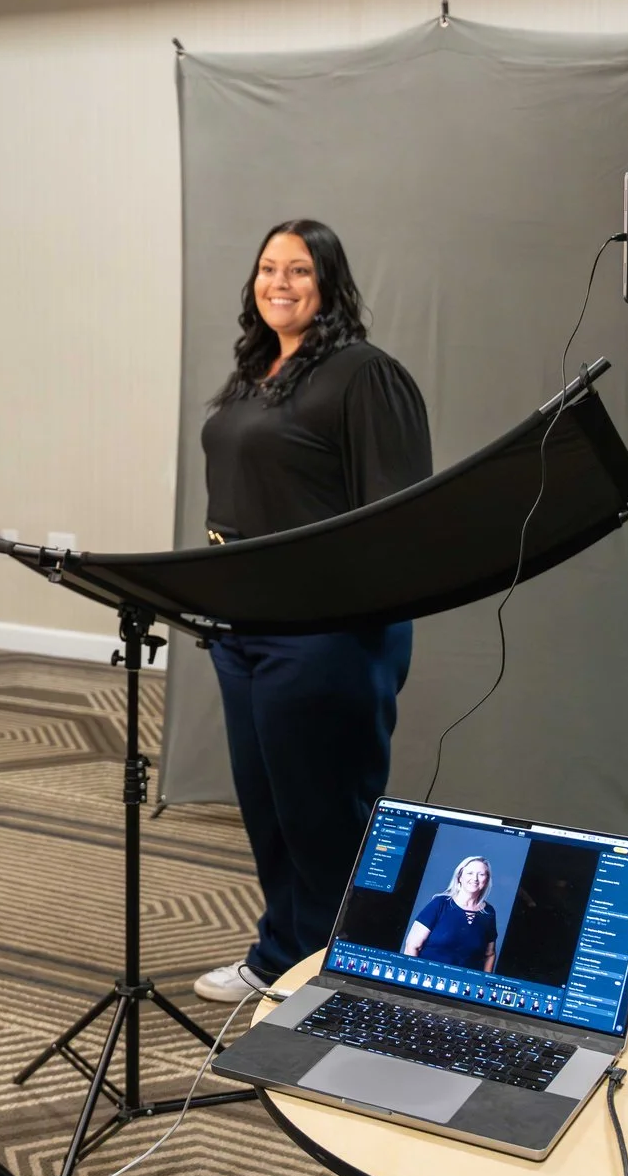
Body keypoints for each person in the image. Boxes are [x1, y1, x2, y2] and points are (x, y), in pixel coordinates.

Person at [193, 219, 433, 1003]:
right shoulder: (257, 372)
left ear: (327, 282)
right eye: (267, 267)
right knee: (269, 806)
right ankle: (281, 955)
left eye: (299, 269)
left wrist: (345, 612)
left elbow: (400, 518)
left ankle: (346, 978)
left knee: (326, 813)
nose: (280, 282)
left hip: (327, 631)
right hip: (245, 628)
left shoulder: (363, 374)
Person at [404, 856, 500, 972]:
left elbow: (490, 954)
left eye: (481, 874)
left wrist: (483, 984)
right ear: (460, 877)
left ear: (487, 880)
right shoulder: (440, 904)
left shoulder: (489, 912)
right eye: (470, 873)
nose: (475, 878)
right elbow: (412, 946)